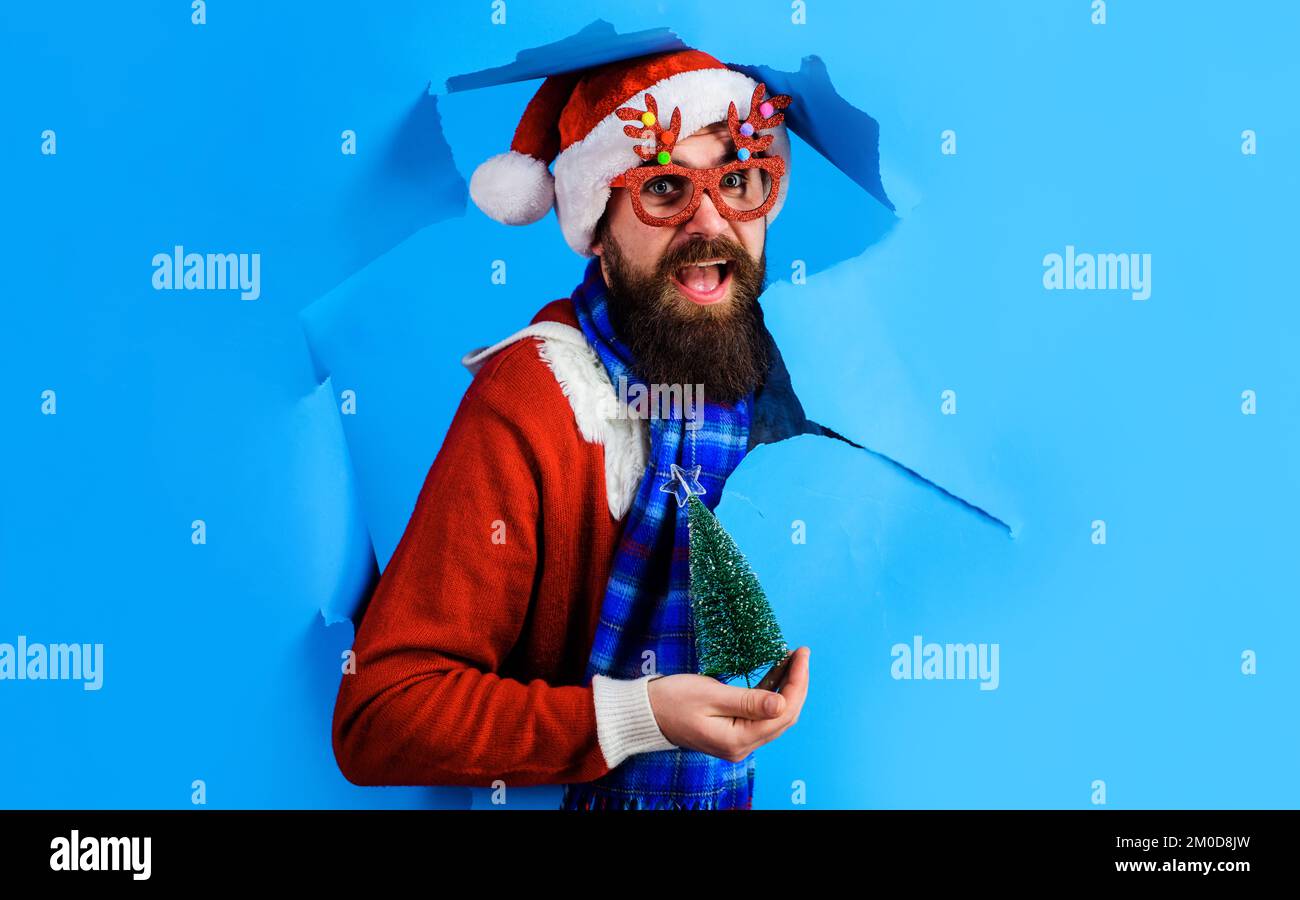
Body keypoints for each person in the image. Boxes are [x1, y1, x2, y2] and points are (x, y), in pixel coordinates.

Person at [332, 47, 824, 810]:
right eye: (664, 188)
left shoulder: (778, 380)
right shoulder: (537, 398)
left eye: (738, 181)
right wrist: (638, 717)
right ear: (598, 227)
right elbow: (383, 713)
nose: (710, 221)